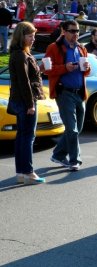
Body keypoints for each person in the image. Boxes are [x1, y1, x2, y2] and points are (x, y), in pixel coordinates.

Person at [44, 20, 91, 171]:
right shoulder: (54, 47)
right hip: (64, 93)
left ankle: (58, 154)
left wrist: (87, 68)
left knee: (78, 128)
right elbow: (47, 70)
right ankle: (74, 160)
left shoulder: (82, 48)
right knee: (72, 129)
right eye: (72, 31)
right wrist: (65, 68)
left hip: (80, 93)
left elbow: (86, 72)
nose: (75, 34)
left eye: (77, 31)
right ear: (63, 31)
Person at [8, 22, 46, 184]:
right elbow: (24, 82)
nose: (33, 39)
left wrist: (41, 69)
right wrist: (30, 104)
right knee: (28, 137)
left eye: (34, 35)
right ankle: (28, 173)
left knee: (22, 136)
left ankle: (21, 173)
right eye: (30, 36)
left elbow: (28, 77)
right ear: (21, 36)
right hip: (25, 102)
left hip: (20, 100)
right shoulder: (21, 55)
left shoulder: (19, 54)